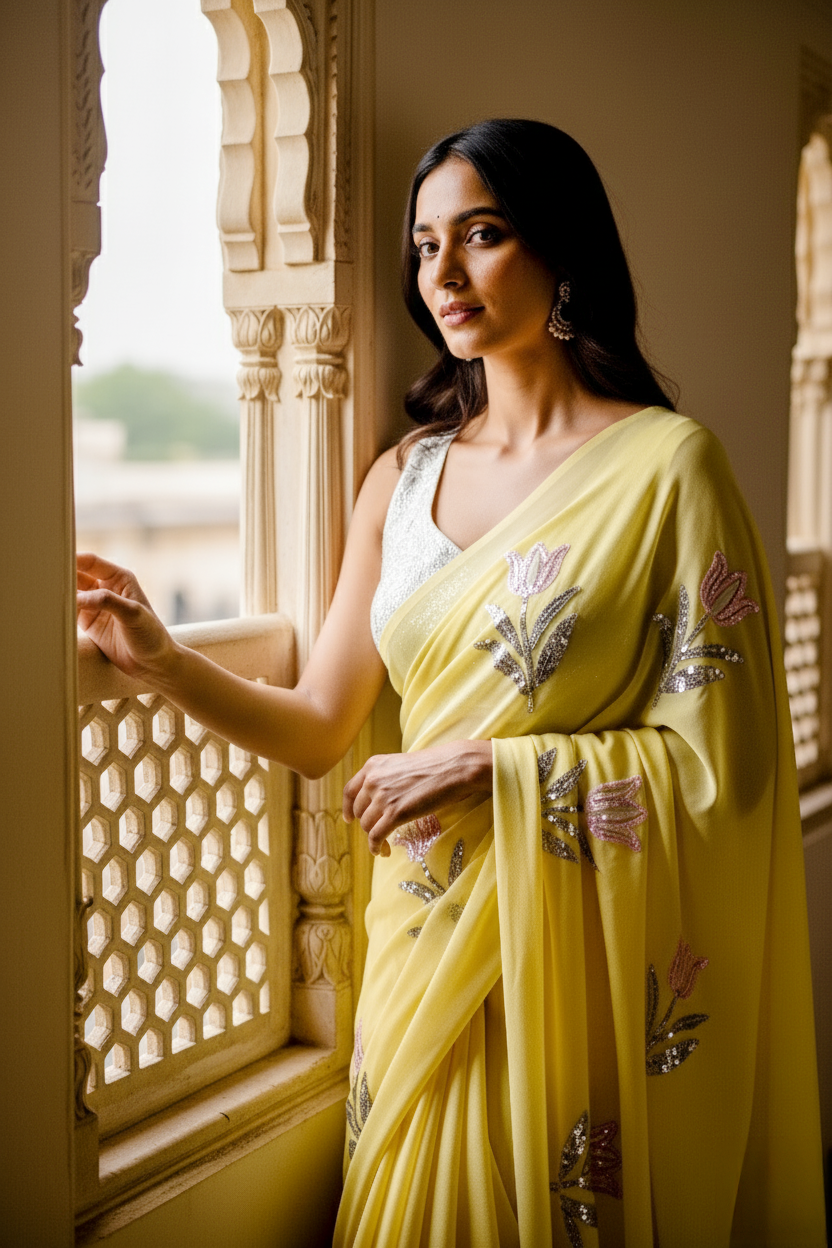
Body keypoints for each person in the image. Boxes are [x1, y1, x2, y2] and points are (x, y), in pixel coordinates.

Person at [77, 119, 825, 1246]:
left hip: (565, 971)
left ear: (560, 249)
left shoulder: (671, 470)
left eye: (481, 235)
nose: (444, 273)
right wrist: (165, 660)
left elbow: (725, 769)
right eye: (426, 245)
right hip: (418, 951)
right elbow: (320, 724)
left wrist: (495, 771)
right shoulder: (402, 475)